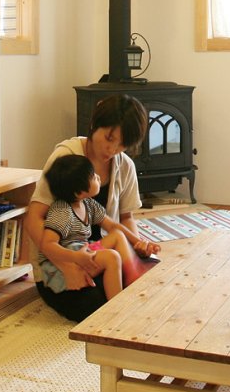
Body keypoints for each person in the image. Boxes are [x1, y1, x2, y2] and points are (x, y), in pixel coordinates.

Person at [23, 94, 151, 321]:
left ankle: (125, 289)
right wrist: (67, 265)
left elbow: (126, 218)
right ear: (94, 124)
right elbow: (34, 218)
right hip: (60, 261)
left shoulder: (125, 165)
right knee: (93, 304)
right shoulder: (67, 158)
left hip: (99, 252)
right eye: (109, 138)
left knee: (147, 278)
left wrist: (138, 247)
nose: (112, 149)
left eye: (122, 144)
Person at [38, 154, 159, 300]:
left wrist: (139, 242)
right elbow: (47, 245)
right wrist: (76, 257)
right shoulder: (62, 211)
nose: (98, 177)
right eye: (93, 177)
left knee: (117, 235)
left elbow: (113, 226)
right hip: (65, 265)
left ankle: (133, 272)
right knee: (112, 257)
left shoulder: (88, 204)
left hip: (84, 251)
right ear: (79, 192)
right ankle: (116, 305)